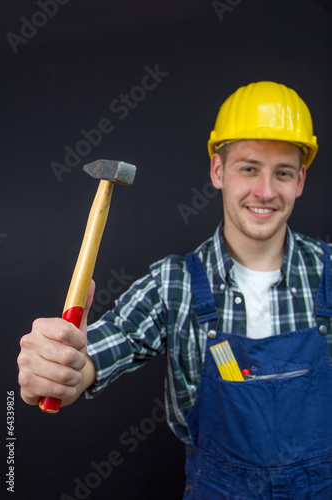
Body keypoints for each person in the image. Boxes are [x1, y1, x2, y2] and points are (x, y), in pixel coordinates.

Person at [18, 81, 332, 499]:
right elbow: (90, 356)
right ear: (218, 171)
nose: (265, 191)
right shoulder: (174, 285)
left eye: (284, 173)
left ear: (301, 180)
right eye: (249, 168)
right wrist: (58, 366)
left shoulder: (330, 270)